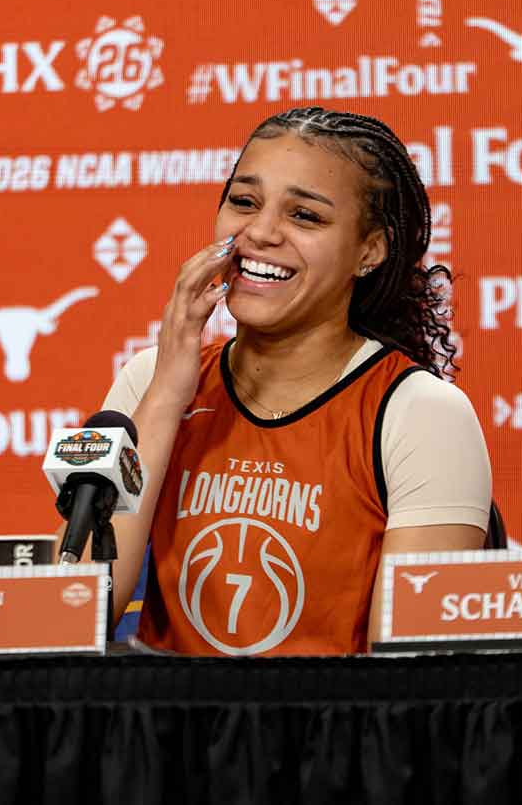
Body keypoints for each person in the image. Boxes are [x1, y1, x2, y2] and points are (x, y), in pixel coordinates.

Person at [100, 107, 493, 655]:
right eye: (243, 202)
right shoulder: (151, 380)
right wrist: (166, 397)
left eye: (305, 216)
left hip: (337, 733)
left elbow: (412, 680)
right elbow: (72, 615)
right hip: (171, 731)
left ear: (369, 251)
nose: (259, 232)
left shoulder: (422, 413)